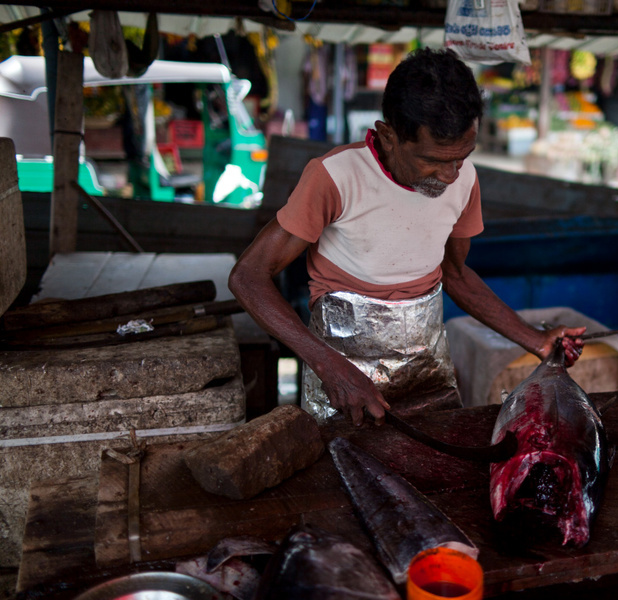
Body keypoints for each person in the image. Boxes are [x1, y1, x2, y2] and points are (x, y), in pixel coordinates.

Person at [229, 48, 584, 427]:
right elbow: (248, 277)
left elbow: (455, 273)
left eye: (461, 157)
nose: (449, 176)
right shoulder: (334, 177)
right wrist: (329, 367)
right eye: (433, 161)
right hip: (344, 377)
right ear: (388, 135)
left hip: (427, 371)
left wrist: (536, 339)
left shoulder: (464, 179)